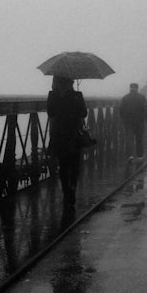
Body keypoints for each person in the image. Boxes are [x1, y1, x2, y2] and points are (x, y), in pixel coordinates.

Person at [46, 75, 88, 206]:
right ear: (71, 83)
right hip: (74, 134)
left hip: (59, 136)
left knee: (63, 165)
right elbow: (84, 113)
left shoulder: (53, 96)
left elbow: (50, 113)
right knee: (74, 164)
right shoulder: (77, 95)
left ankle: (66, 191)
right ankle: (72, 188)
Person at [119, 82, 147, 162]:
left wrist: (124, 119)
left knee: (129, 139)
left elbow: (121, 110)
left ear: (130, 88)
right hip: (139, 121)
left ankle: (130, 155)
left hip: (129, 122)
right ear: (137, 88)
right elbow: (146, 109)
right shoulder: (142, 97)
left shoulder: (125, 98)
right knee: (139, 139)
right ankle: (139, 155)